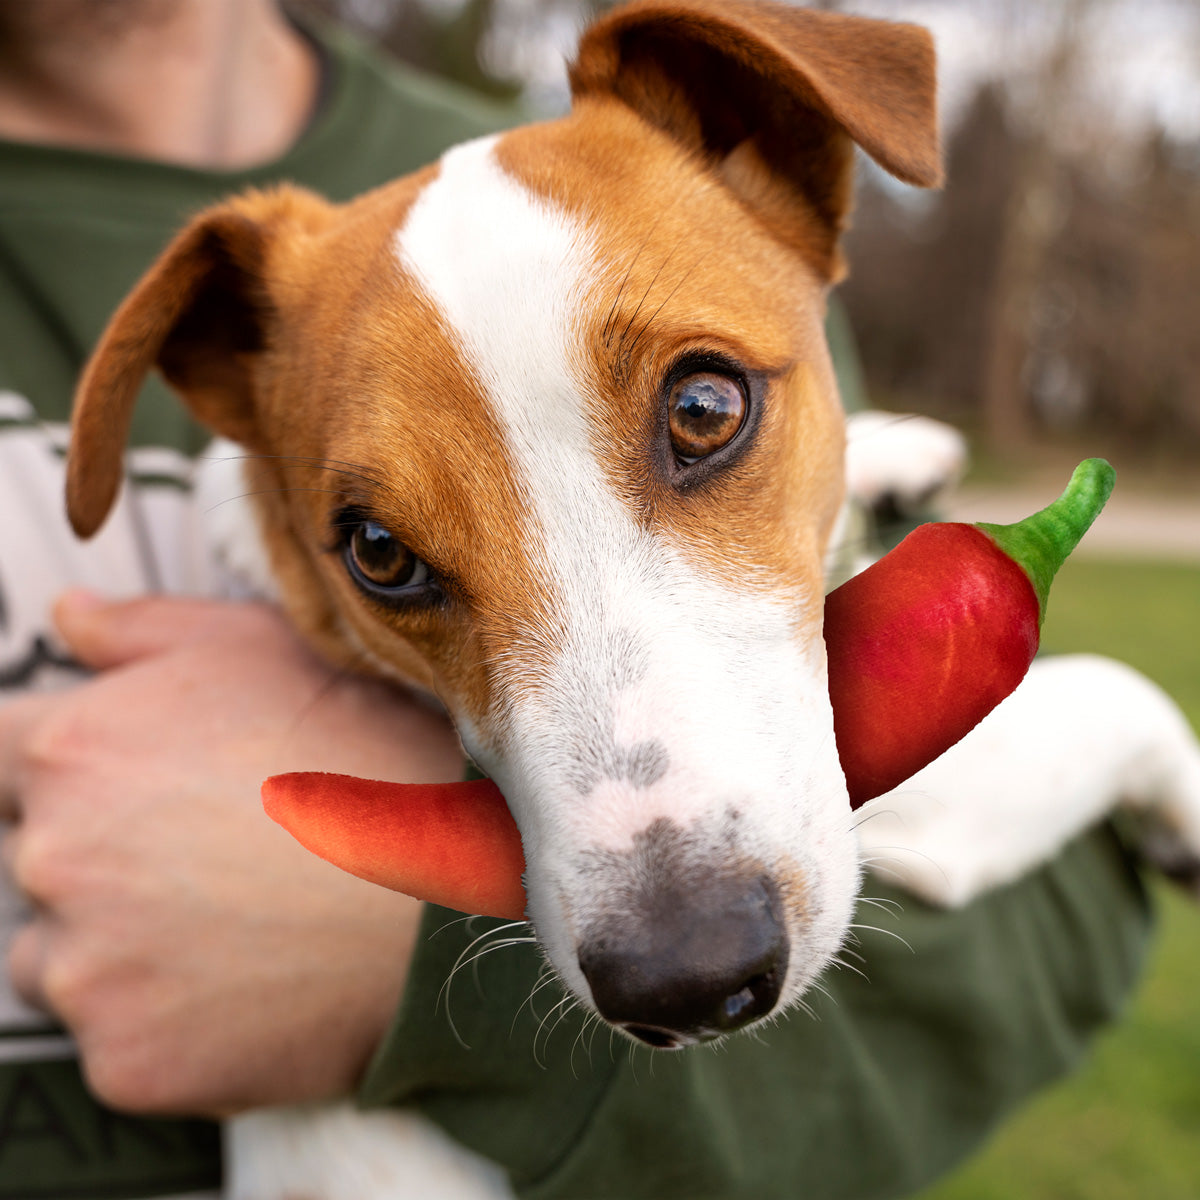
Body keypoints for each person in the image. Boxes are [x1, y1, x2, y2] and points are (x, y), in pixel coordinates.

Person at [0, 2, 1155, 1198]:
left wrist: (397, 969)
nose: (668, 936)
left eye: (701, 415)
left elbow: (1052, 908)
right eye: (396, 559)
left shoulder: (659, 195)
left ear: (782, 151)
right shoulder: (310, 319)